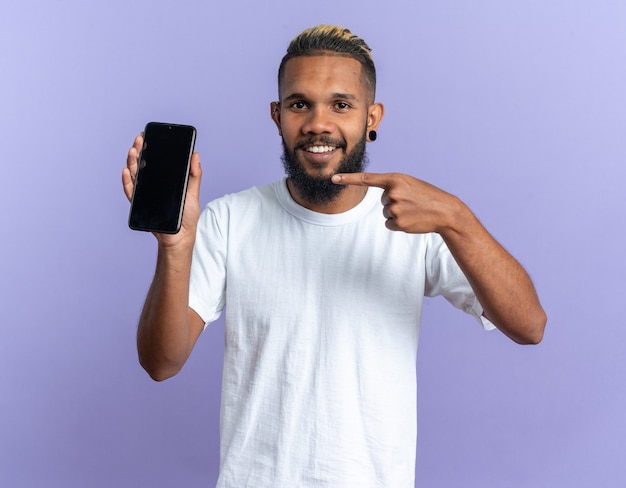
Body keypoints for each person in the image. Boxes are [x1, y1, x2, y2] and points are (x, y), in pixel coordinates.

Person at [122, 24, 546, 488]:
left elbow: (529, 326)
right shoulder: (230, 219)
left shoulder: (419, 221)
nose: (318, 123)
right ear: (276, 115)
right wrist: (175, 246)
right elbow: (160, 363)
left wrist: (456, 217)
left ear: (372, 117)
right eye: (299, 104)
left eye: (340, 105)